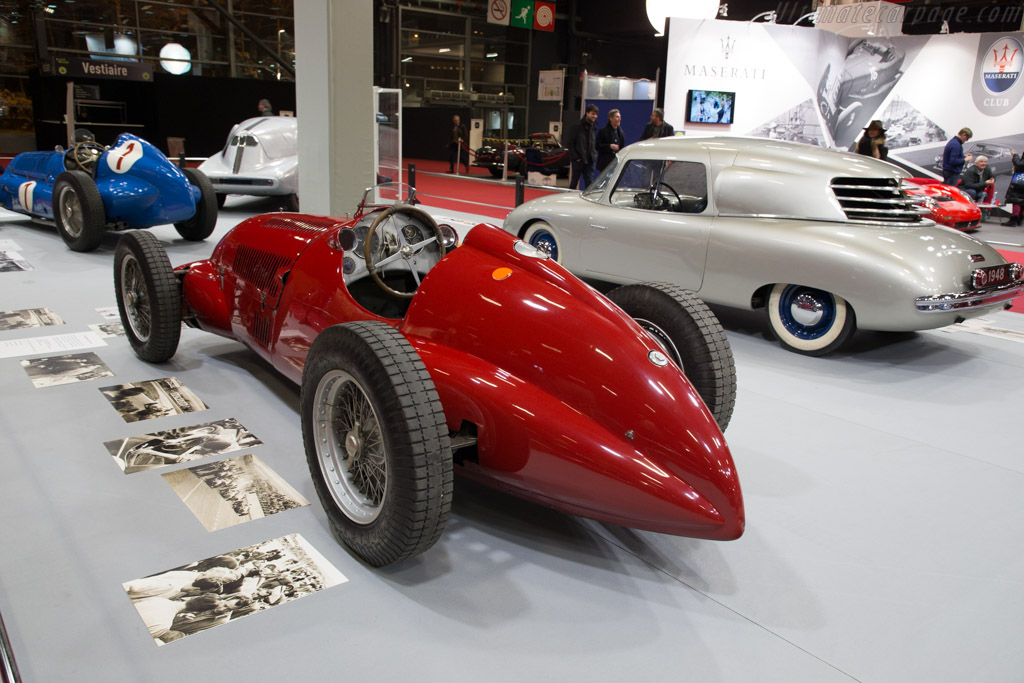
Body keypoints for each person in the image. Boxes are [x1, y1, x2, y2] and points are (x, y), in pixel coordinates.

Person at [568, 104, 598, 190]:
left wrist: (593, 156)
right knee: (574, 183)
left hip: (590, 160)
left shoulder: (593, 127)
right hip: (578, 160)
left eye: (596, 114)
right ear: (587, 113)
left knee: (589, 183)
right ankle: (569, 201)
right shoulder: (577, 126)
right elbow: (570, 143)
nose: (594, 116)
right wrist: (576, 157)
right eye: (592, 114)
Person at [1003, 149, 1024, 227]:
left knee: (1016, 199)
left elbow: (1019, 164)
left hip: (1020, 182)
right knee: (1022, 200)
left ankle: (1013, 220)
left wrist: (1015, 156)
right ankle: (1019, 219)